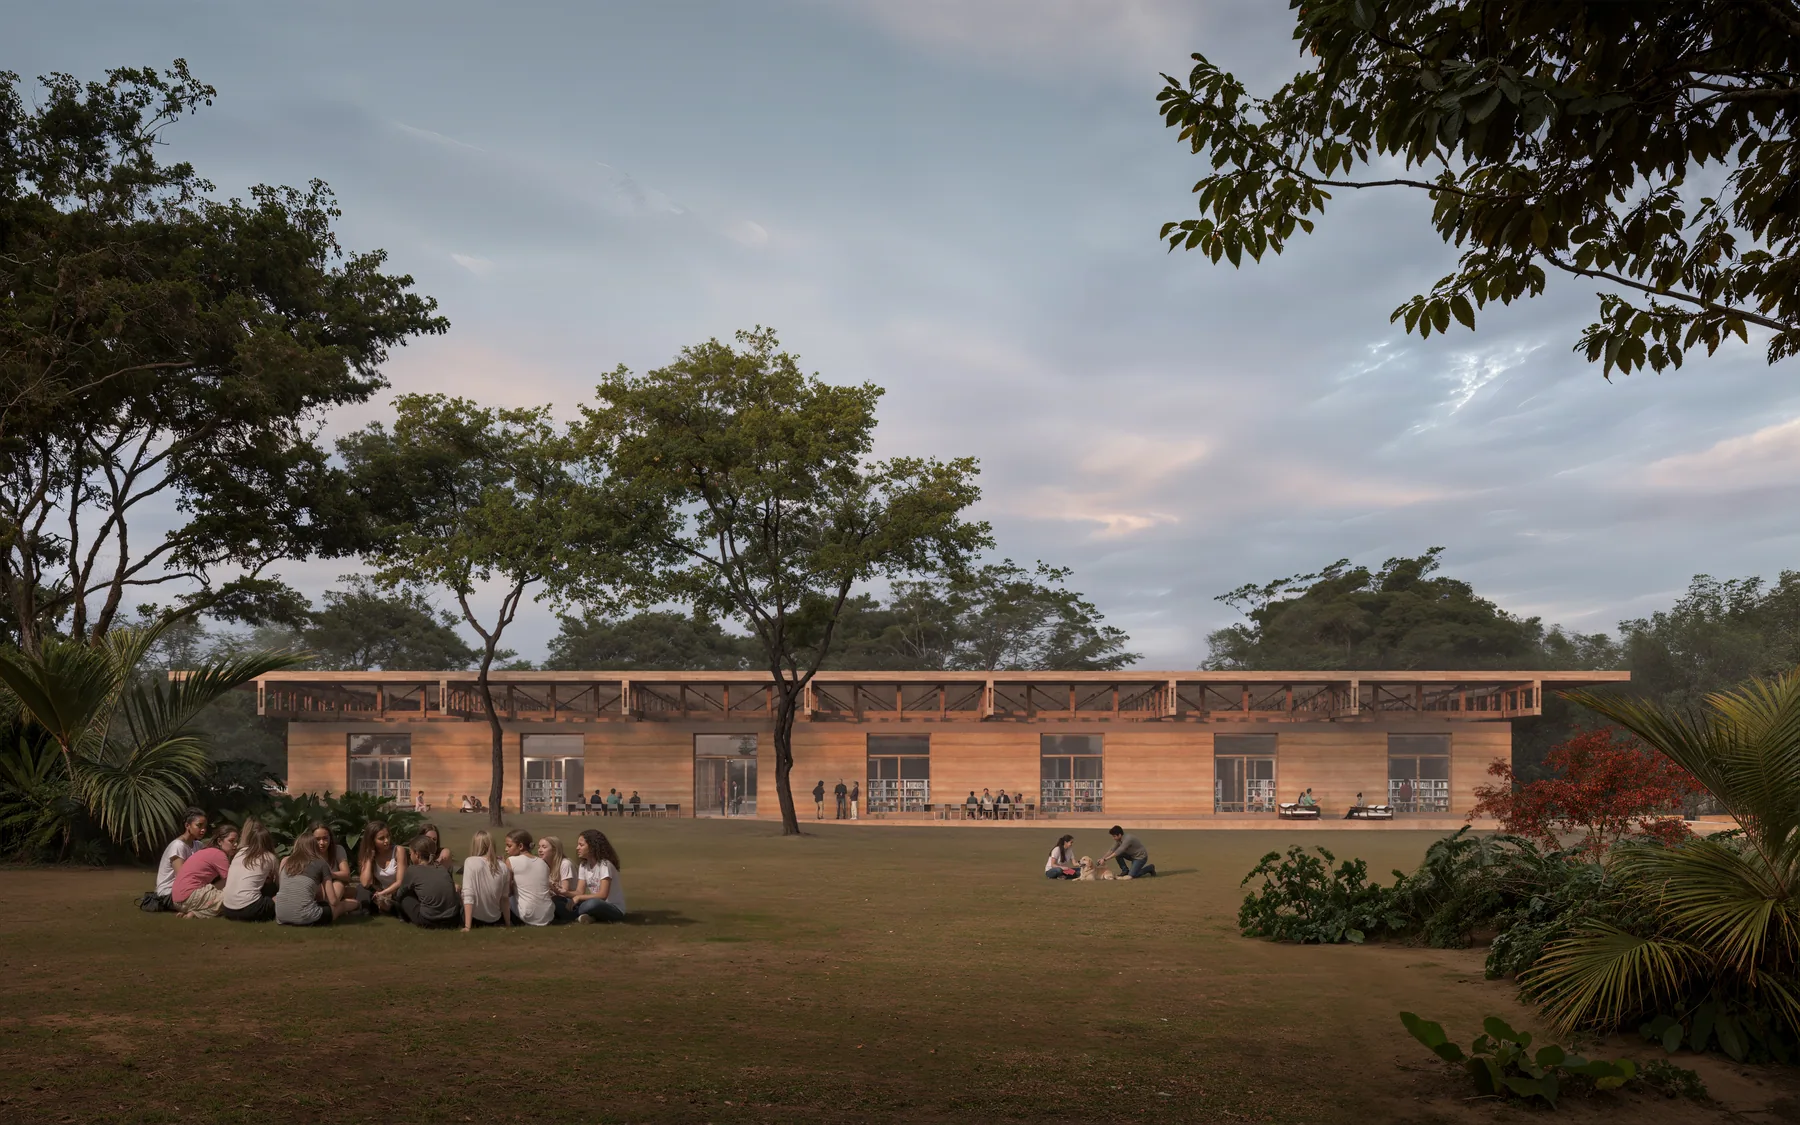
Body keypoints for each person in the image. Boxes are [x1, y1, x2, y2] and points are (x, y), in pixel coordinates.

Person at [275, 832, 358, 926]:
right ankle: (357, 905)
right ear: (314, 846)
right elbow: (333, 901)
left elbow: (282, 888)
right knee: (341, 906)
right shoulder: (321, 863)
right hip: (308, 917)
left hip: (281, 916)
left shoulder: (286, 861)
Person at [379, 836, 462, 928]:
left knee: (405, 898)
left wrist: (390, 898)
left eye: (410, 853)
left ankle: (400, 916)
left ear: (417, 855)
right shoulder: (441, 868)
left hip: (429, 920)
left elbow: (400, 893)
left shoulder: (413, 870)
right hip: (453, 919)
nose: (410, 856)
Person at [148, 808, 209, 911]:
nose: (203, 830)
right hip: (168, 893)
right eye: (199, 826)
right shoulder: (178, 846)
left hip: (187, 889)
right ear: (187, 825)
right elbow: (181, 877)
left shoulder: (198, 845)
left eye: (205, 827)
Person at [172, 824, 239, 918]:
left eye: (236, 841)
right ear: (220, 841)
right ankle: (196, 914)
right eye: (231, 841)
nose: (235, 845)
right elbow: (229, 881)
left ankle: (190, 911)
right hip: (191, 896)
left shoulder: (207, 851)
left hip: (177, 900)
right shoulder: (219, 854)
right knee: (233, 899)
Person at [222, 817, 280, 922]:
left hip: (227, 909)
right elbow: (280, 884)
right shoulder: (270, 857)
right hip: (249, 909)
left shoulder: (240, 852)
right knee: (279, 898)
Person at [461, 829, 513, 931]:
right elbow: (505, 898)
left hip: (476, 919)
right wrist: (507, 923)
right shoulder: (503, 866)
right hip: (496, 919)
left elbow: (468, 894)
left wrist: (467, 926)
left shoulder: (470, 862)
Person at [571, 829, 627, 923]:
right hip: (596, 904)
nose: (577, 848)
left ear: (592, 847)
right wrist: (562, 892)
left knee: (593, 904)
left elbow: (602, 895)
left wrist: (579, 898)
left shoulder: (605, 865)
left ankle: (572, 914)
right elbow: (579, 891)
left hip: (612, 907)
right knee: (563, 900)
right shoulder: (583, 865)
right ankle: (589, 917)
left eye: (581, 845)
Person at [503, 828, 558, 926]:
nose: (506, 849)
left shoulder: (511, 860)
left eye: (509, 846)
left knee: (504, 895)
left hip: (527, 914)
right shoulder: (543, 863)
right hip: (548, 914)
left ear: (520, 846)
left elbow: (507, 890)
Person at [359, 820, 408, 914]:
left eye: (388, 836)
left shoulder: (398, 851)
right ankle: (368, 911)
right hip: (381, 891)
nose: (387, 841)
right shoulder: (369, 854)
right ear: (372, 841)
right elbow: (365, 883)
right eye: (381, 838)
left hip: (397, 892)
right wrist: (369, 858)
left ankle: (388, 908)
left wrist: (383, 893)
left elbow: (400, 882)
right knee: (361, 889)